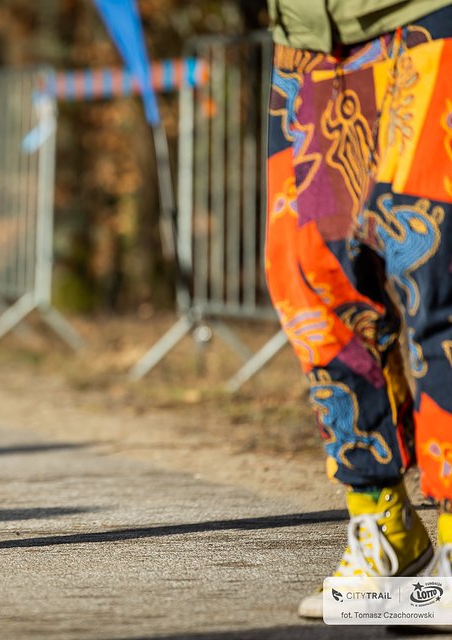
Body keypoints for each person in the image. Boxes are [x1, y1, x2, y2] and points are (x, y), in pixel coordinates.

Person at [264, 0, 452, 618]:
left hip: (426, 14)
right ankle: (386, 530)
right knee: (309, 274)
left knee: (433, 267)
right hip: (310, 36)